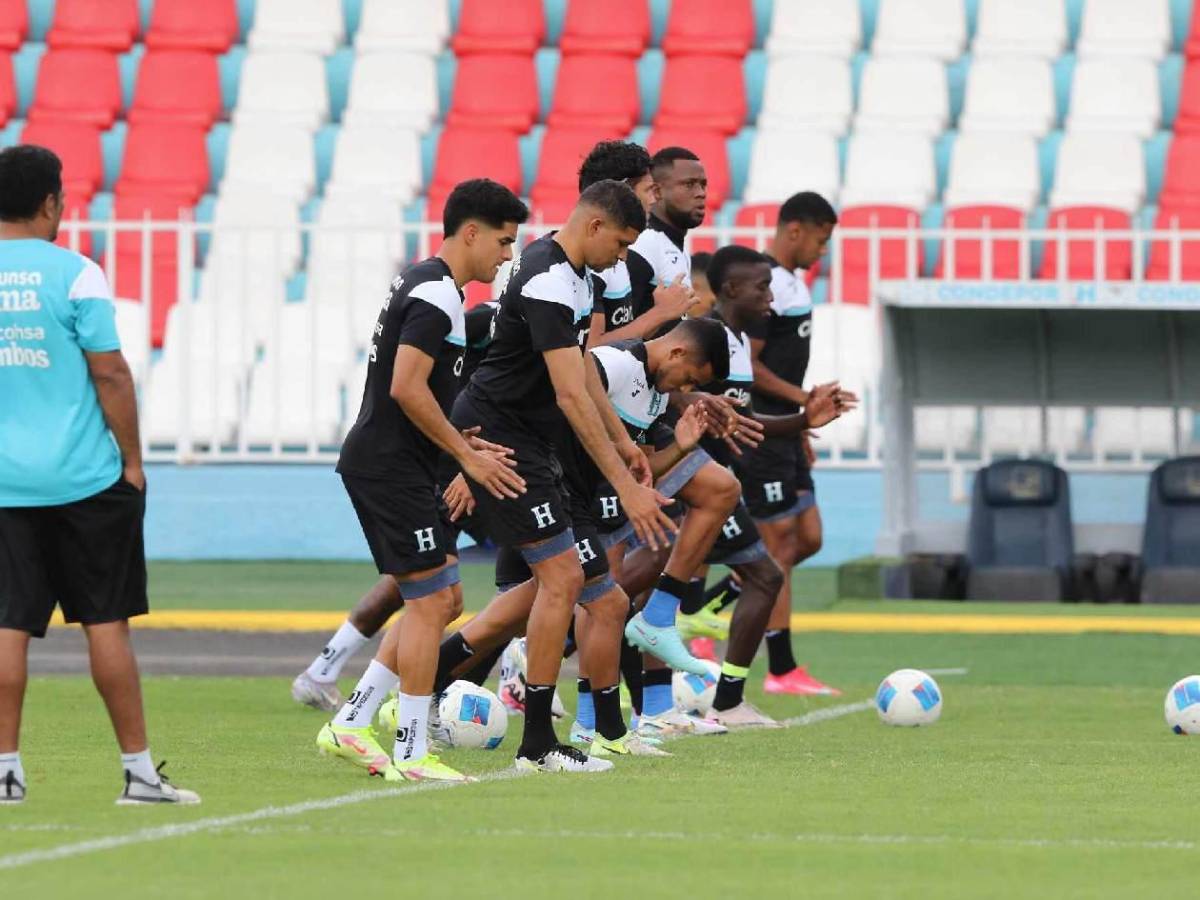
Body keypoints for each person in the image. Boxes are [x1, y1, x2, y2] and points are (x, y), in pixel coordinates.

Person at [448, 179, 675, 772]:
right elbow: (570, 394)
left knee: (580, 592)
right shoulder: (548, 278)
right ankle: (538, 743)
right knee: (554, 581)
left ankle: (429, 688)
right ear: (595, 226)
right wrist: (626, 488)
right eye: (620, 245)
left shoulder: (577, 276)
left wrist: (623, 443)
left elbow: (583, 374)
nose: (620, 259)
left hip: (531, 442)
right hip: (502, 439)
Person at [0, 144, 199, 805]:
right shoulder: (76, 273)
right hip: (84, 478)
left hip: (4, 483)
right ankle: (139, 775)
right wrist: (133, 462)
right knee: (106, 623)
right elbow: (109, 372)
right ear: (50, 202)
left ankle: (5, 773)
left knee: (6, 625)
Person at [314, 178, 529, 783]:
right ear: (471, 233)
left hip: (403, 464)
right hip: (390, 466)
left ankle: (352, 721)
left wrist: (464, 442)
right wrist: (465, 456)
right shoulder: (436, 294)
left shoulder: (433, 287)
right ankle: (410, 751)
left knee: (443, 600)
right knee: (431, 601)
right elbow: (407, 388)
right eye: (503, 242)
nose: (507, 256)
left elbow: (424, 391)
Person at [290, 300, 501, 713]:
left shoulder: (552, 324)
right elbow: (419, 377)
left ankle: (334, 676)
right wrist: (460, 451)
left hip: (470, 456)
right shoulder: (492, 317)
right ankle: (499, 686)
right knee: (451, 586)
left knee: (434, 588)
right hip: (461, 459)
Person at [688, 245, 854, 728]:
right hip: (683, 484)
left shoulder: (735, 341)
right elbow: (671, 395)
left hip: (712, 486)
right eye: (762, 289)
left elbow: (744, 422)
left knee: (763, 574)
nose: (771, 298)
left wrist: (803, 421)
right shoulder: (705, 337)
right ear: (731, 290)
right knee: (627, 593)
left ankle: (722, 697)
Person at [736, 191, 841, 696]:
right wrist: (804, 402)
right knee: (777, 544)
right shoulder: (767, 285)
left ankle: (718, 600)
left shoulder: (792, 282)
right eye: (820, 239)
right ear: (794, 230)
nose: (823, 249)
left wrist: (801, 424)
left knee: (809, 537)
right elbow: (750, 365)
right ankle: (781, 669)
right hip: (764, 430)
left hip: (789, 430)